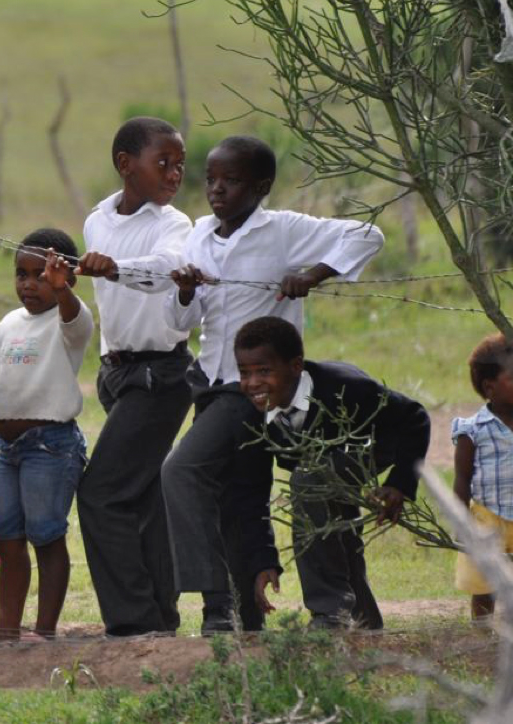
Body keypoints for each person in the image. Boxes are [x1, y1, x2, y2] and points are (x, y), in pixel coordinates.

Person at [162, 135, 383, 632]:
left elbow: (368, 234)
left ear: (261, 187)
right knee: (239, 497)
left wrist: (314, 275)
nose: (217, 190)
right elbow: (182, 321)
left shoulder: (283, 231)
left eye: (232, 180)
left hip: (252, 391)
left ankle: (215, 601)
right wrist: (185, 292)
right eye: (211, 179)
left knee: (181, 471)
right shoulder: (199, 236)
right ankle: (250, 617)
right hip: (209, 383)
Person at [72, 117, 193, 636]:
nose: (175, 174)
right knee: (142, 495)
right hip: (117, 374)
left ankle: (132, 621)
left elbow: (167, 269)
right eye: (163, 163)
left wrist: (115, 267)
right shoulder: (97, 221)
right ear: (126, 164)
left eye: (179, 165)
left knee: (100, 494)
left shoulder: (176, 225)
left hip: (160, 376)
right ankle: (160, 617)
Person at [235, 316, 428, 629]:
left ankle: (330, 614)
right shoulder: (255, 416)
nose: (252, 383)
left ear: (296, 366)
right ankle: (364, 623)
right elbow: (252, 490)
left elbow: (414, 416)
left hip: (371, 444)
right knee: (335, 529)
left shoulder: (344, 387)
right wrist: (263, 559)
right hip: (322, 462)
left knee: (308, 480)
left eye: (264, 371)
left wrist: (400, 483)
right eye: (244, 373)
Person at [0, 229, 94, 639]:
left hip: (49, 448)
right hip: (9, 450)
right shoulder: (9, 324)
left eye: (43, 275)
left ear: (67, 278)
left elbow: (75, 320)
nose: (29, 284)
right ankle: (7, 630)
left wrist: (63, 290)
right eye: (22, 274)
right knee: (6, 536)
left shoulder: (70, 321)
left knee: (46, 536)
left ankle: (44, 631)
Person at [454, 333, 513, 619]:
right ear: (490, 387)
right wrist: (460, 520)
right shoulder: (473, 430)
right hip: (487, 518)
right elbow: (462, 479)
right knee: (483, 584)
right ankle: (482, 631)